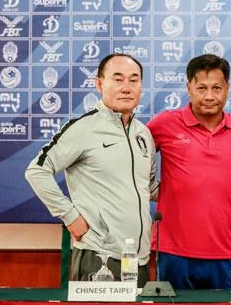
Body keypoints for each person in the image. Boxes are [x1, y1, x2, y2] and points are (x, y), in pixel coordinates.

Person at [25, 53, 156, 286]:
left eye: (134, 80)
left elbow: (149, 187)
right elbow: (36, 171)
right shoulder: (83, 128)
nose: (126, 87)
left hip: (139, 259)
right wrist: (70, 216)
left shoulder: (143, 134)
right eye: (118, 79)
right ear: (99, 84)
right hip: (98, 257)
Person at [147, 54, 231, 289]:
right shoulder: (164, 124)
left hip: (225, 251)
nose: (209, 96)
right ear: (189, 88)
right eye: (201, 88)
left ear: (227, 88)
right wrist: (155, 191)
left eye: (216, 88)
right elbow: (133, 157)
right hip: (173, 251)